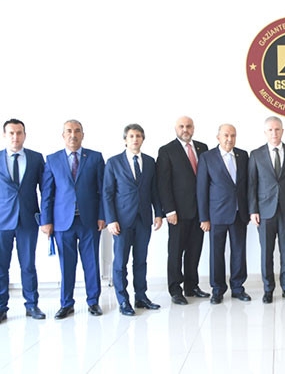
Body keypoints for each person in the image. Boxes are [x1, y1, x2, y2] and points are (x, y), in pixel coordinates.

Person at [40, 120, 106, 319]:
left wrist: (102, 216)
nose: (73, 135)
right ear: (63, 135)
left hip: (89, 221)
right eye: (69, 131)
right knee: (66, 265)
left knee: (91, 263)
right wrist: (46, 220)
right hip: (62, 222)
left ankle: (93, 302)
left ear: (82, 135)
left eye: (77, 131)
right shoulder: (52, 160)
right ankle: (66, 303)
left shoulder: (95, 157)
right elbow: (47, 193)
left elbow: (103, 190)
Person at [103, 124, 163, 316]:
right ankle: (123, 300)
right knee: (120, 263)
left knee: (141, 261)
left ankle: (141, 296)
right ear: (125, 140)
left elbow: (154, 190)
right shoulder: (113, 162)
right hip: (121, 221)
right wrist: (111, 220)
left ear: (143, 139)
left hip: (143, 219)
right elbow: (107, 193)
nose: (135, 139)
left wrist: (158, 213)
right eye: (131, 136)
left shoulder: (150, 161)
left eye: (138, 136)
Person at [248, 116, 285, 304]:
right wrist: (253, 210)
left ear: (282, 131)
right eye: (270, 130)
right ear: (265, 132)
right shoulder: (256, 154)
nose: (274, 133)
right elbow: (252, 184)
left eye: (277, 129)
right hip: (265, 211)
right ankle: (268, 289)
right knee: (267, 252)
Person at [156, 116, 210, 306]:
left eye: (188, 126)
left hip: (199, 211)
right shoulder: (166, 150)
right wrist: (169, 210)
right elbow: (163, 183)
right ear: (176, 128)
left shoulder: (203, 148)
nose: (185, 129)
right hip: (177, 212)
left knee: (195, 250)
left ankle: (191, 286)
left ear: (193, 128)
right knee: (176, 252)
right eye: (181, 126)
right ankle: (175, 289)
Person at [197, 124, 251, 304]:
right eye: (226, 135)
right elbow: (201, 189)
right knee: (216, 253)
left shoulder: (243, 155)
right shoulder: (207, 157)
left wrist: (249, 211)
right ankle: (217, 289)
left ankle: (238, 287)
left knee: (239, 252)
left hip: (239, 214)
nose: (229, 139)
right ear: (218, 137)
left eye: (233, 135)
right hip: (216, 215)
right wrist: (204, 217)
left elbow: (247, 185)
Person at [0, 119, 46, 323]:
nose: (15, 137)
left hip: (28, 219)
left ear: (24, 135)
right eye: (11, 133)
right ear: (4, 135)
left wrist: (46, 218)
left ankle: (32, 305)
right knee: (1, 266)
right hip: (2, 221)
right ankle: (1, 307)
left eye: (19, 133)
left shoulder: (36, 158)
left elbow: (46, 190)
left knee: (28, 265)